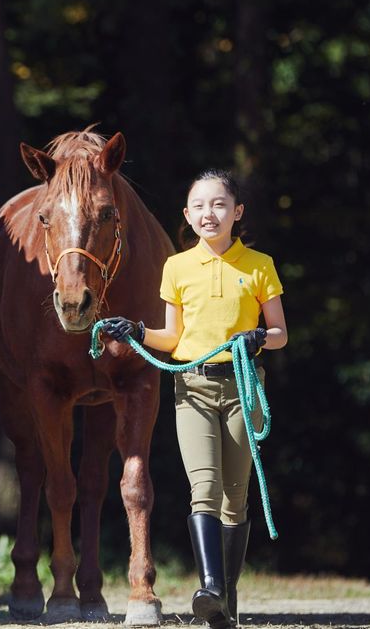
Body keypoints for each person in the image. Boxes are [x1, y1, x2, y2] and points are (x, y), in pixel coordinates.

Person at [102, 169, 288, 628]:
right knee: (203, 488)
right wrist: (138, 331)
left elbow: (281, 334)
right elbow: (171, 336)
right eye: (200, 206)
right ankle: (210, 588)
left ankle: (226, 598)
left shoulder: (260, 265)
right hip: (193, 389)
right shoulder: (177, 267)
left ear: (237, 212)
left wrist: (259, 336)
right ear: (187, 215)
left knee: (235, 497)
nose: (210, 213)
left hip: (244, 387)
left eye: (220, 204)